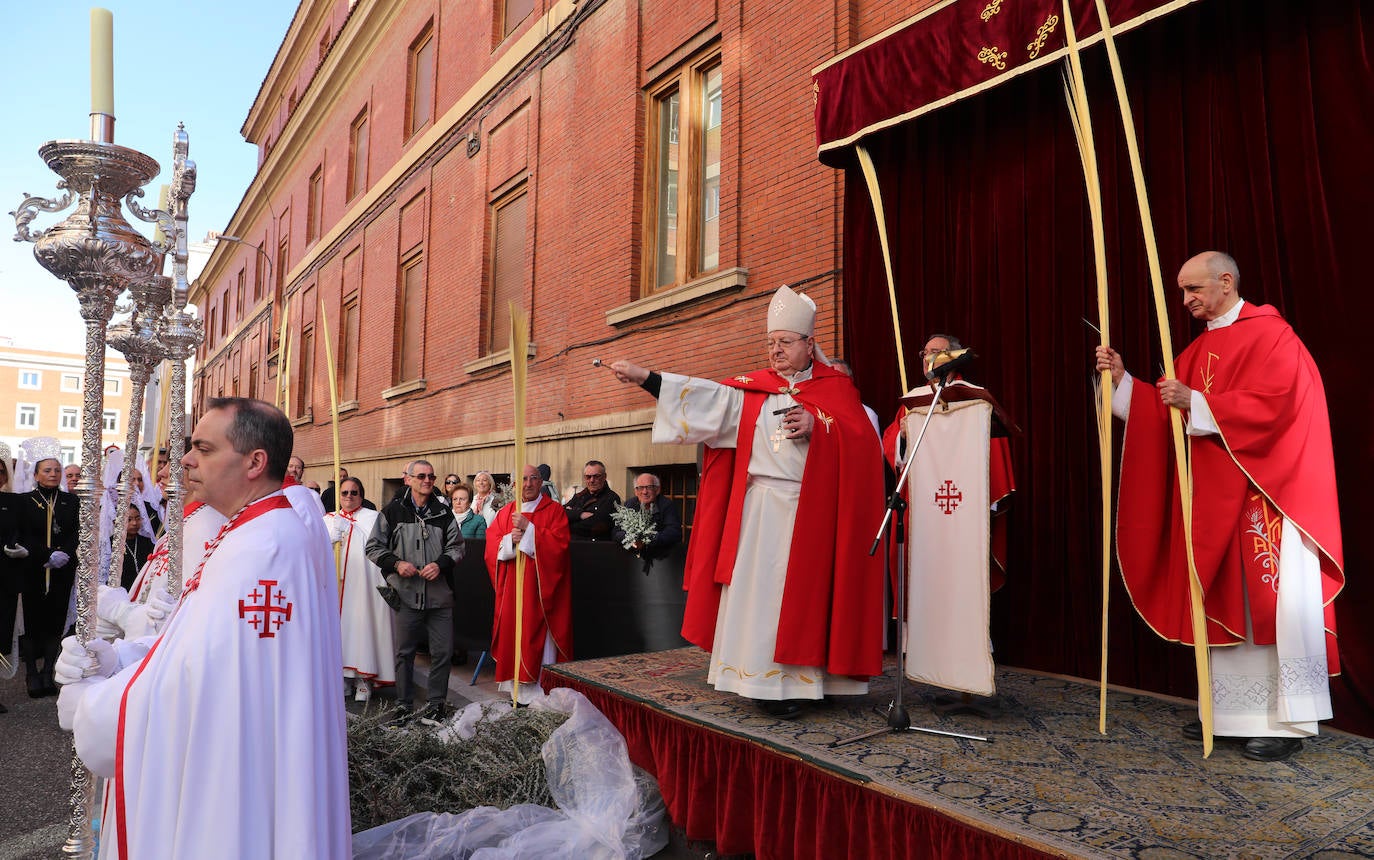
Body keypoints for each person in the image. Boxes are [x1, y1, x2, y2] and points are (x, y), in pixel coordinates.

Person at [57, 397, 350, 858]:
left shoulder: (262, 548)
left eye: (204, 449)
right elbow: (193, 641)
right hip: (251, 759)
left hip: (234, 774)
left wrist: (92, 703)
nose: (187, 460)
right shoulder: (256, 529)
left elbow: (194, 681)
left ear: (255, 462)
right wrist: (120, 658)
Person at [1094, 251, 1343, 763]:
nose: (1185, 300)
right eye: (1182, 291)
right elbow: (1162, 412)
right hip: (1217, 503)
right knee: (1226, 604)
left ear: (1226, 282)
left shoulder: (1273, 336)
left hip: (1270, 498)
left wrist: (1200, 405)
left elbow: (1278, 406)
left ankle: (1286, 721)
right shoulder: (1198, 348)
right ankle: (1230, 714)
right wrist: (1122, 383)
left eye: (1193, 290)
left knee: (1271, 608)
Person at [607, 285, 886, 719]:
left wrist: (819, 428)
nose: (775, 351)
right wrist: (647, 377)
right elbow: (699, 401)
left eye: (785, 342)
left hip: (813, 511)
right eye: (771, 342)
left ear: (809, 344)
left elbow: (865, 448)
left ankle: (817, 681)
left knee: (811, 595)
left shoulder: (837, 391)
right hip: (761, 512)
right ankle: (767, 684)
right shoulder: (751, 390)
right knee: (764, 596)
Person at [881, 334, 1016, 716]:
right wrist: (902, 437)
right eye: (924, 352)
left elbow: (994, 449)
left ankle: (971, 685)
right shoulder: (914, 402)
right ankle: (942, 676)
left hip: (964, 517)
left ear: (954, 356)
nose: (929, 357)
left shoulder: (974, 397)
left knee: (965, 594)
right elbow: (893, 447)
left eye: (936, 351)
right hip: (927, 519)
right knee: (931, 591)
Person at [365, 459, 463, 726]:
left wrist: (440, 564)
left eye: (431, 476)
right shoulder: (392, 511)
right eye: (421, 476)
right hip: (406, 595)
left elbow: (457, 547)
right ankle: (404, 705)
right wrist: (397, 564)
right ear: (407, 479)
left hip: (439, 596)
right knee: (404, 653)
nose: (427, 480)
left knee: (443, 652)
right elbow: (373, 547)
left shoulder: (443, 513)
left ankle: (435, 705)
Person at [485, 465, 572, 704]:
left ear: (542, 482)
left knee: (539, 640)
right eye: (523, 479)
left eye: (534, 478)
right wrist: (508, 541)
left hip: (541, 592)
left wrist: (529, 529)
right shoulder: (506, 512)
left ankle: (542, 692)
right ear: (515, 485)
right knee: (515, 633)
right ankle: (518, 693)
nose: (528, 483)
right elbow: (491, 546)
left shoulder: (554, 511)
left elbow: (560, 547)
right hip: (513, 589)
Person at [12, 440, 79, 697]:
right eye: (48, 470)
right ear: (36, 474)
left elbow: (77, 532)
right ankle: (31, 673)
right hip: (33, 570)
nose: (53, 474)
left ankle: (48, 672)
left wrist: (64, 554)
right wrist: (47, 554)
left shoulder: (70, 502)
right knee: (32, 622)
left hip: (62, 571)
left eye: (57, 470)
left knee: (55, 622)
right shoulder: (25, 501)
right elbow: (23, 534)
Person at [326, 476, 395, 702]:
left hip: (361, 588)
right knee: (339, 633)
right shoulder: (328, 519)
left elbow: (378, 548)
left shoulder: (372, 518)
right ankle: (342, 678)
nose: (348, 497)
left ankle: (363, 680)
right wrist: (329, 538)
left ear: (361, 496)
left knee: (361, 631)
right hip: (334, 587)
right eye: (344, 493)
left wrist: (352, 531)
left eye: (353, 492)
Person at [612, 473, 683, 571]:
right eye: (640, 488)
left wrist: (647, 539)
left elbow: (674, 532)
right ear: (636, 491)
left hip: (661, 563)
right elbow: (616, 532)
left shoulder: (667, 505)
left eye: (649, 487)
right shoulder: (629, 504)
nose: (644, 492)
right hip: (631, 562)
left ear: (657, 490)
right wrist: (631, 539)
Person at [564, 460, 621, 541]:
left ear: (604, 476)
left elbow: (596, 526)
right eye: (588, 477)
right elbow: (560, 514)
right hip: (574, 548)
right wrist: (580, 514)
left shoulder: (612, 498)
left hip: (596, 549)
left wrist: (568, 521)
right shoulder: (579, 496)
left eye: (596, 476)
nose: (592, 480)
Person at [118, 505, 154, 592]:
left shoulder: (147, 542)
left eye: (137, 518)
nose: (134, 523)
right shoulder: (113, 544)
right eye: (129, 520)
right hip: (122, 593)